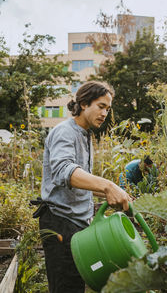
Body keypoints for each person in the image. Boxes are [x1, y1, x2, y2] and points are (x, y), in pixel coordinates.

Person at [36, 81, 132, 293]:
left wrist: (113, 193)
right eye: (101, 106)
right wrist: (107, 185)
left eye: (108, 108)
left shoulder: (84, 134)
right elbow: (64, 171)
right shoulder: (65, 132)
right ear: (84, 103)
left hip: (77, 223)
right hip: (59, 221)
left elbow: (80, 182)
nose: (105, 113)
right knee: (66, 286)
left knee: (77, 284)